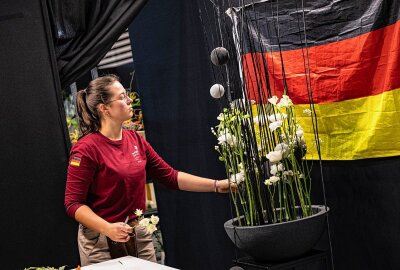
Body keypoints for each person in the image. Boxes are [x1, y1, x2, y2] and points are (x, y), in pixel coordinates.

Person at [64, 74, 234, 266]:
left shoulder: (135, 139)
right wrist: (108, 228)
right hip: (100, 241)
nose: (129, 100)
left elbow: (170, 176)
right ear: (104, 109)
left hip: (138, 233)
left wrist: (218, 185)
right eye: (121, 97)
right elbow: (73, 203)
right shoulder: (86, 149)